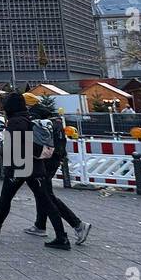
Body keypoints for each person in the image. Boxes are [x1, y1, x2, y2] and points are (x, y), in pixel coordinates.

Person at [0, 91, 71, 250]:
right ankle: (62, 237)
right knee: (46, 201)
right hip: (35, 166)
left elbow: (15, 146)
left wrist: (7, 160)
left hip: (20, 166)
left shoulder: (15, 122)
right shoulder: (27, 118)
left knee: (6, 198)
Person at [25, 95, 92, 243]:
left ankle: (78, 224)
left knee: (46, 195)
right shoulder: (53, 118)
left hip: (44, 161)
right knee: (42, 193)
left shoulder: (36, 118)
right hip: (54, 159)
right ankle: (40, 225)